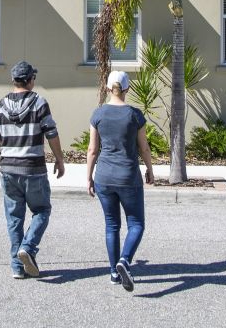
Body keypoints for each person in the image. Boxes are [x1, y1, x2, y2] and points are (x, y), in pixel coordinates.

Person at [0, 60, 65, 280]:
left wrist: (8, 142)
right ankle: (28, 248)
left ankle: (16, 267)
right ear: (30, 80)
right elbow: (51, 133)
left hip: (8, 169)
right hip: (33, 169)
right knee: (42, 210)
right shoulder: (39, 103)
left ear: (13, 80)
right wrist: (59, 160)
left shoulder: (0, 105)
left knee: (14, 218)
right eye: (34, 78)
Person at [86, 70, 154, 292]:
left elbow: (92, 150)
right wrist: (150, 169)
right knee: (136, 224)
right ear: (127, 89)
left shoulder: (98, 114)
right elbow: (143, 147)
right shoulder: (135, 115)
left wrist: (89, 177)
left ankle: (114, 273)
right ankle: (124, 260)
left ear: (107, 88)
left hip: (104, 176)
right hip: (128, 176)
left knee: (111, 225)